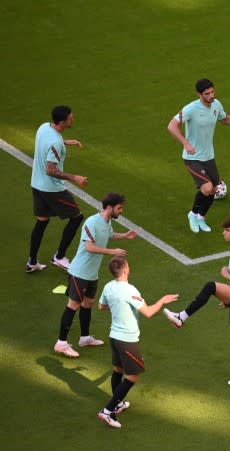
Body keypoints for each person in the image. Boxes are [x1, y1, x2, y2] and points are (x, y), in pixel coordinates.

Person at [164, 216, 230, 388]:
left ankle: (181, 317)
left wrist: (226, 275)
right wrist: (229, 300)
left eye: (227, 230)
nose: (224, 233)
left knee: (210, 286)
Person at [95, 256, 178, 428]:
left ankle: (117, 404)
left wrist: (119, 306)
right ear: (125, 270)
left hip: (114, 337)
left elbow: (101, 307)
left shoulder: (108, 286)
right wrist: (162, 301)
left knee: (117, 371)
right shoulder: (130, 290)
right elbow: (147, 312)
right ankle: (108, 411)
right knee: (132, 377)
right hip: (127, 340)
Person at [167, 78, 230, 233]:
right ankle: (192, 214)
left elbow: (226, 119)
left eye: (212, 92)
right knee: (206, 188)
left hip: (209, 156)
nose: (211, 96)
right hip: (192, 158)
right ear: (199, 94)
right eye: (207, 94)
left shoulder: (216, 105)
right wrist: (186, 144)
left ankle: (201, 217)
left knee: (214, 190)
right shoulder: (190, 109)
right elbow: (171, 125)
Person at [53, 193, 137, 358]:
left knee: (88, 303)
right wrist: (112, 252)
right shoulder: (91, 222)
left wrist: (125, 236)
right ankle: (61, 343)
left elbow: (110, 235)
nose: (121, 211)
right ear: (110, 207)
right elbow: (89, 247)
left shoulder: (107, 221)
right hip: (80, 272)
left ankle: (84, 338)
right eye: (119, 208)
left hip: (91, 274)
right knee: (73, 305)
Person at [27, 105, 87, 273]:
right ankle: (59, 257)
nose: (72, 119)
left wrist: (64, 142)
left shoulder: (44, 127)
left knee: (42, 221)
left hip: (36, 184)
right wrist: (75, 177)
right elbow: (50, 170)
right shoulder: (55, 142)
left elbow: (46, 143)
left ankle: (32, 262)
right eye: (70, 117)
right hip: (51, 189)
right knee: (76, 217)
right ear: (62, 122)